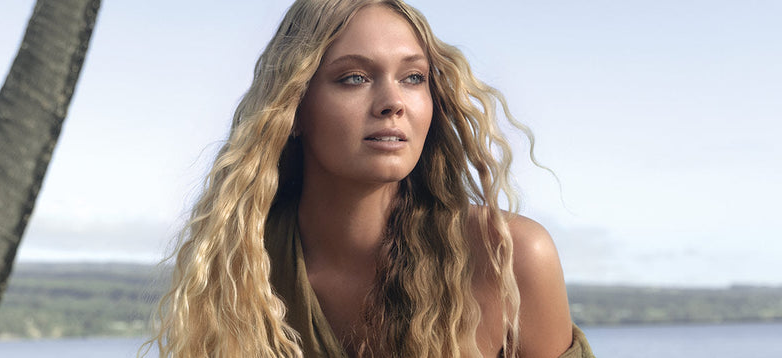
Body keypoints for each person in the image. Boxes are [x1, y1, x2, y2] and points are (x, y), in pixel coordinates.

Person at [149, 0, 593, 357]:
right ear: (293, 108)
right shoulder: (241, 270)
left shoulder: (505, 257)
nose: (392, 102)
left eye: (413, 77)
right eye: (355, 78)